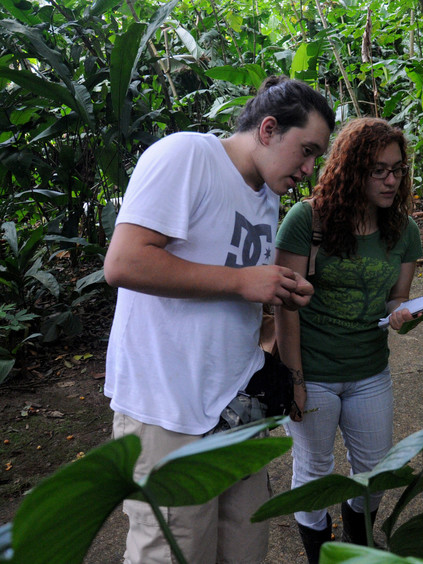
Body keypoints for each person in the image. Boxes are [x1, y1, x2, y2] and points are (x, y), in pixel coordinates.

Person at [103, 76, 334, 564]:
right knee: (174, 550)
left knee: (244, 547)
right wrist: (243, 282)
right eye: (307, 151)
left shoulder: (266, 195)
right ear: (268, 129)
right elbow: (123, 263)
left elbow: (240, 287)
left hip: (233, 409)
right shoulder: (187, 156)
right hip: (168, 407)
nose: (310, 170)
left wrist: (279, 297)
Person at [273, 117, 423, 563]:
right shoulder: (308, 219)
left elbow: (396, 297)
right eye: (379, 169)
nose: (391, 179)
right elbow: (284, 305)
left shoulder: (403, 230)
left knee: (374, 474)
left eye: (397, 169)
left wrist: (402, 314)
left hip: (369, 371)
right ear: (351, 169)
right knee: (316, 472)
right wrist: (294, 378)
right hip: (313, 372)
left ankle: (358, 551)